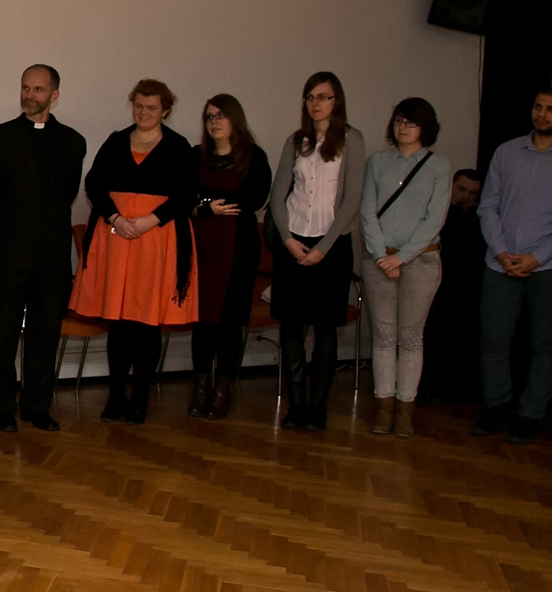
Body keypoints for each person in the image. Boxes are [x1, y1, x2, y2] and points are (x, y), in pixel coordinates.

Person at [72, 80, 198, 424]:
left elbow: (187, 194)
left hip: (157, 240)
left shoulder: (178, 146)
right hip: (116, 238)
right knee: (119, 322)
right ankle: (116, 397)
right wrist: (115, 217)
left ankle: (140, 398)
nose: (143, 112)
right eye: (139, 106)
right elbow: (94, 184)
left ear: (165, 111)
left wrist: (150, 221)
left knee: (146, 322)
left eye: (151, 108)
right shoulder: (116, 141)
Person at [472, 88, 552, 443]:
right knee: (494, 339)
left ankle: (530, 414)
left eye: (551, 109)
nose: (542, 114)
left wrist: (538, 257)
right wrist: (501, 251)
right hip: (501, 262)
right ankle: (496, 406)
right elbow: (488, 205)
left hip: (550, 266)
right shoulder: (506, 152)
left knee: (545, 342)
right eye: (538, 107)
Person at [0, 64, 86, 432]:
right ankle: (1, 406)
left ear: (54, 95)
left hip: (52, 256)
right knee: (3, 334)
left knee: (45, 335)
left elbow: (66, 196)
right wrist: (11, 235)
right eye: (25, 87)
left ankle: (37, 406)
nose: (29, 95)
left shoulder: (73, 142)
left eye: (38, 89)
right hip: (11, 253)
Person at [267, 71, 365, 431]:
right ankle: (296, 405)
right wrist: (289, 241)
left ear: (336, 101)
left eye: (323, 97)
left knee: (325, 328)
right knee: (292, 326)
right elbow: (278, 195)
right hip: (294, 241)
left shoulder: (352, 139)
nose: (316, 103)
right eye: (310, 97)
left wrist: (323, 248)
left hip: (332, 245)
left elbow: (352, 199)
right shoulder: (296, 140)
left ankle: (318, 405)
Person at [359, 98, 451, 438]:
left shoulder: (438, 165)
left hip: (421, 261)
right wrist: (381, 255)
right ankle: (383, 410)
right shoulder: (377, 161)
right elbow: (367, 210)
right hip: (379, 260)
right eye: (399, 120)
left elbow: (435, 218)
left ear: (425, 127)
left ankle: (405, 410)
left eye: (411, 122)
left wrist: (402, 257)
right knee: (383, 337)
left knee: (410, 338)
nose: (403, 127)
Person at [188, 94, 271, 420]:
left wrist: (206, 202)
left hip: (238, 247)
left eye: (220, 115)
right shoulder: (196, 156)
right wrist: (207, 207)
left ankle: (223, 389)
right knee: (202, 321)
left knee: (228, 321)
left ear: (235, 119)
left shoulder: (253, 156)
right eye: (209, 117)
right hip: (201, 247)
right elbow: (183, 196)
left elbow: (254, 198)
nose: (214, 122)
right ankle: (200, 388)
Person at [419, 167, 485, 404]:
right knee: (432, 335)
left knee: (464, 336)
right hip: (436, 284)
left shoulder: (481, 219)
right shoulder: (436, 212)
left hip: (468, 287)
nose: (466, 196)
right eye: (461, 189)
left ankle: (457, 388)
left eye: (472, 193)